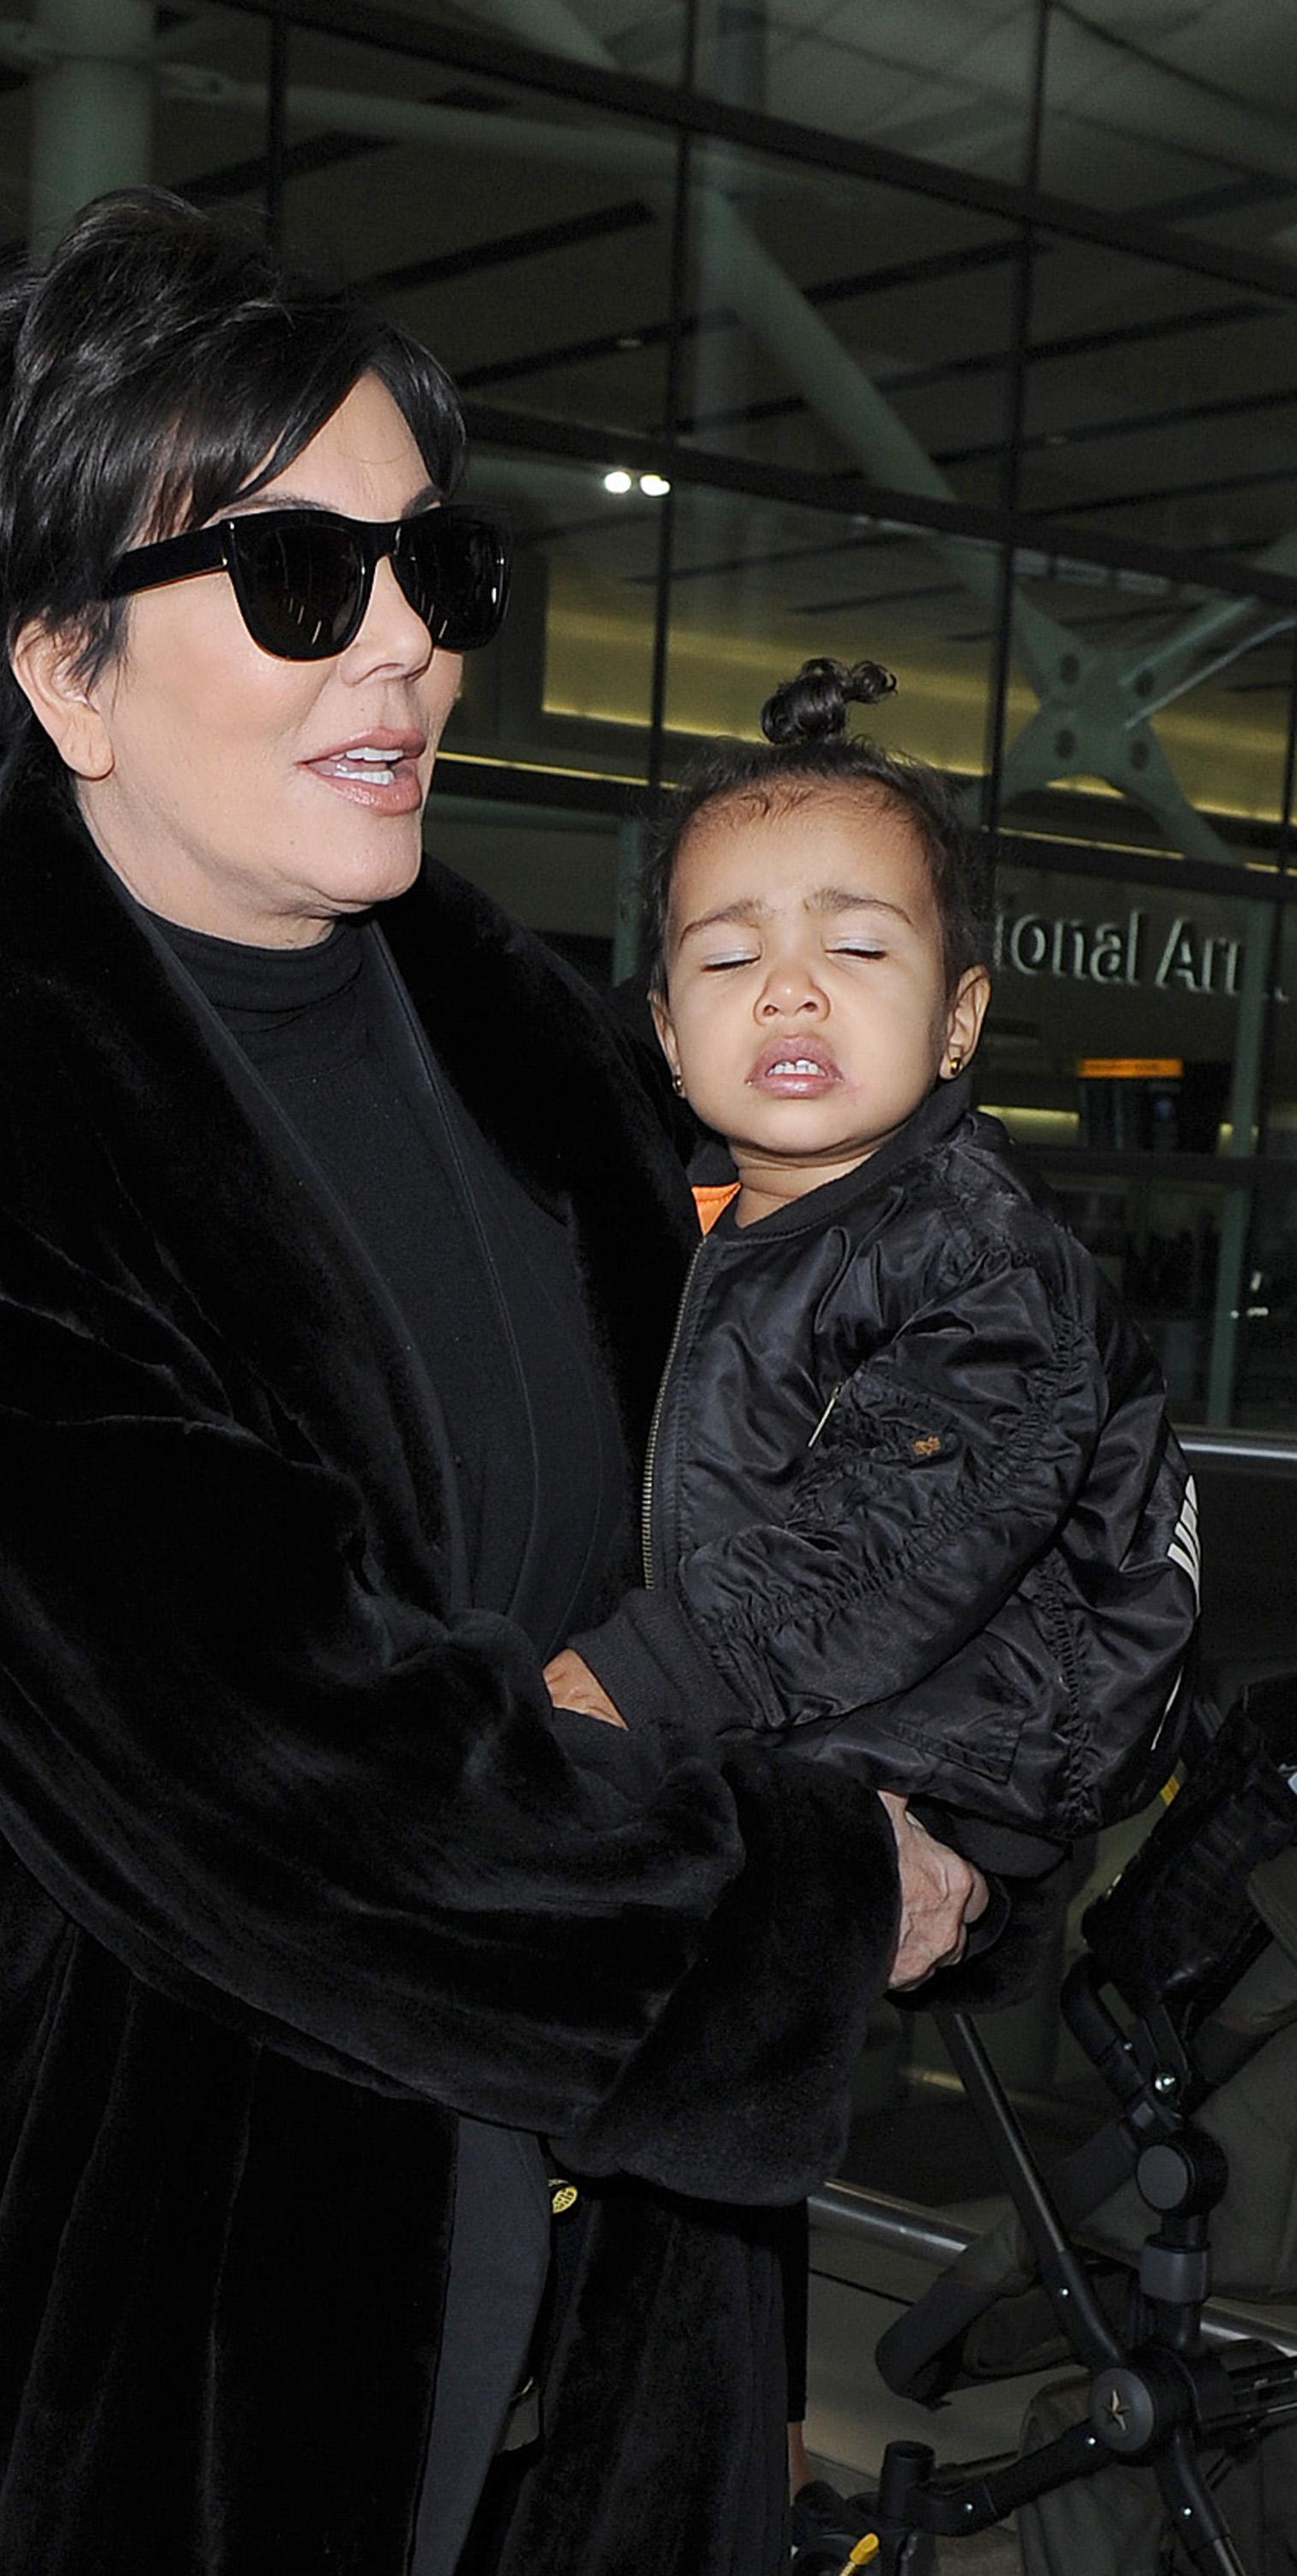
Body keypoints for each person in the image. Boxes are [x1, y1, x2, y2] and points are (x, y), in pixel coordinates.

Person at [0, 197, 985, 2576]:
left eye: (436, 568)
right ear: (70, 672)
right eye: (300, 582)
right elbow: (271, 1773)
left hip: (605, 2323)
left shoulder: (571, 1083)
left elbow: (781, 1541)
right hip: (170, 2328)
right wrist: (813, 1911)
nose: (404, 641)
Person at [542, 653, 1199, 2518]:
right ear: (662, 1024)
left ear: (963, 1010)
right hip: (799, 1738)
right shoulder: (707, 1227)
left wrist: (602, 1689)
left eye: (858, 945)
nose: (794, 990)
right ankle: (724, 2471)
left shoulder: (971, 1252)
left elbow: (872, 1563)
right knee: (701, 2235)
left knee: (690, 2151)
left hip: (956, 1751)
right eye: (728, 954)